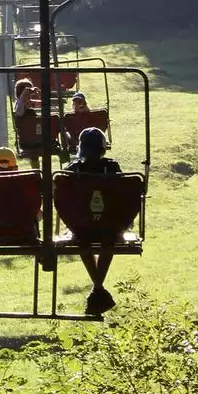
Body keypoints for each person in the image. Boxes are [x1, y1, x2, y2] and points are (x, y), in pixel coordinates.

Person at [64, 127, 121, 315]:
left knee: (83, 243)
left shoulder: (73, 170)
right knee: (108, 242)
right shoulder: (112, 168)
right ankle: (98, 288)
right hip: (109, 226)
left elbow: (62, 196)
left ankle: (97, 288)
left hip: (81, 228)